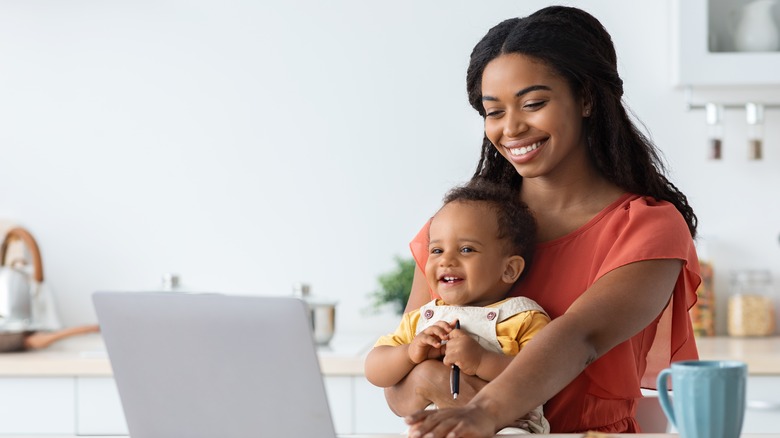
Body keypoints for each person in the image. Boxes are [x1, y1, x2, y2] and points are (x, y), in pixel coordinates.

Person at [389, 5, 701, 436]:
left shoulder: (647, 228)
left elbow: (580, 338)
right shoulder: (453, 230)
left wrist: (482, 411)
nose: (511, 128)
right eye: (493, 112)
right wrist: (432, 381)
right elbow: (401, 383)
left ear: (587, 98)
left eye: (533, 103)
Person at [364, 180, 551, 434]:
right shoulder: (422, 319)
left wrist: (483, 360)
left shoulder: (523, 318)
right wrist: (409, 353)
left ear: (508, 269)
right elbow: (374, 370)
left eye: (466, 249)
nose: (446, 261)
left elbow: (539, 379)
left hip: (506, 428)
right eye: (437, 250)